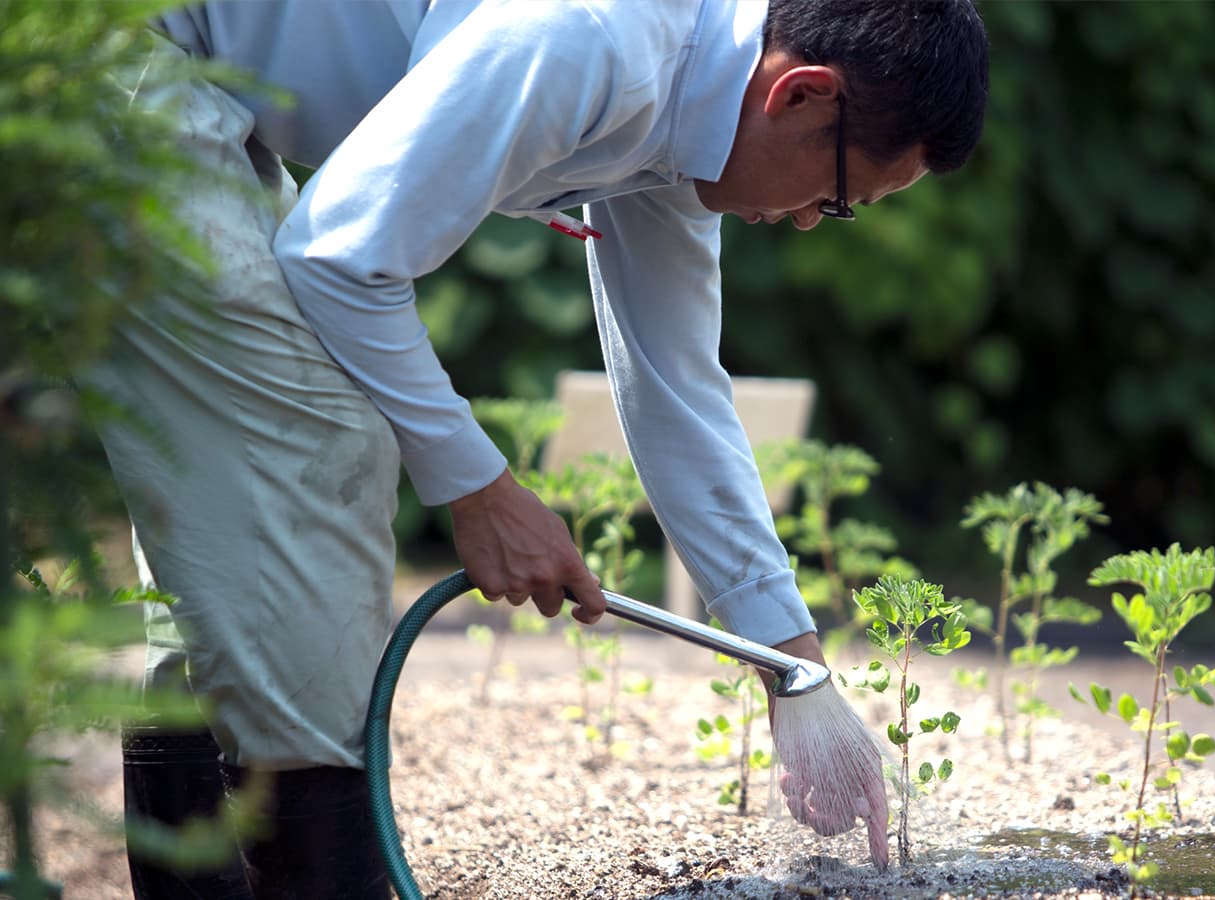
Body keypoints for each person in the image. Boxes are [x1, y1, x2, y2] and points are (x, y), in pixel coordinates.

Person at [95, 0, 988, 896]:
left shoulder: (691, 106)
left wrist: (794, 670)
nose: (804, 221)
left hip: (200, 73)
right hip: (113, 50)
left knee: (232, 546)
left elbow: (675, 385)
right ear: (800, 95)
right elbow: (341, 258)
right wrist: (482, 490)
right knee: (316, 452)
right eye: (834, 199)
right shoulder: (592, 33)